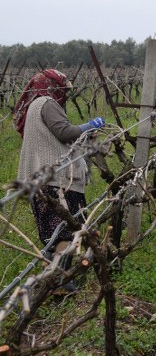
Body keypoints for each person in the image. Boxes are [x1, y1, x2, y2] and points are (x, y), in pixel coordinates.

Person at [14, 69, 106, 292]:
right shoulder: (46, 103)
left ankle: (53, 280)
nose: (65, 93)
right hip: (56, 180)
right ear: (51, 86)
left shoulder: (35, 104)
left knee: (55, 233)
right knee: (65, 230)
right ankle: (58, 282)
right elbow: (64, 132)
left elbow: (54, 137)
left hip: (43, 177)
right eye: (62, 88)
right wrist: (90, 125)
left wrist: (84, 134)